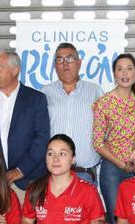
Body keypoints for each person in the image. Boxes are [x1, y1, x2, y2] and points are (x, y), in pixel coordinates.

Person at [0, 49, 50, 203]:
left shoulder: (36, 99)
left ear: (15, 70)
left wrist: (19, 171)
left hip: (27, 181)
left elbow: (42, 139)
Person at [92, 53, 135, 223]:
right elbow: (97, 143)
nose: (124, 73)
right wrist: (121, 164)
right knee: (116, 219)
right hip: (113, 168)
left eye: (129, 68)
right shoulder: (103, 103)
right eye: (120, 69)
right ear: (114, 74)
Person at [20, 134, 104, 224]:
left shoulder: (87, 190)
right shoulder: (35, 189)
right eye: (50, 154)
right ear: (45, 158)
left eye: (62, 154)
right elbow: (25, 222)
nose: (55, 159)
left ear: (73, 158)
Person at [41, 43, 104, 184]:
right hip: (52, 173)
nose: (64, 64)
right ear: (54, 65)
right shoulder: (45, 92)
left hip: (85, 173)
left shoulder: (95, 91)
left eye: (69, 59)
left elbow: (105, 129)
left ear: (79, 63)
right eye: (59, 60)